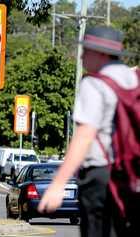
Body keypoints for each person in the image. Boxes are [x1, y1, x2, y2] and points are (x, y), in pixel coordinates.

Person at [38, 26, 138, 237]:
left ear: (101, 53)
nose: (82, 56)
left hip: (100, 178)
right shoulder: (133, 80)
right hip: (130, 177)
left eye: (86, 50)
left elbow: (84, 136)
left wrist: (58, 184)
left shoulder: (94, 83)